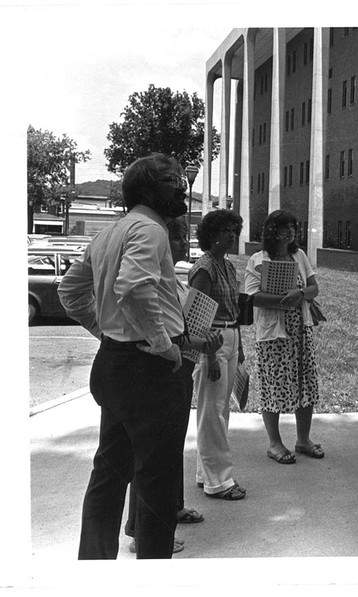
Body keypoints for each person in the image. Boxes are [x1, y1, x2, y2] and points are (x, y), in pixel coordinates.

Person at [58, 153, 192, 559]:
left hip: (114, 365)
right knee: (157, 481)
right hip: (150, 371)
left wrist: (105, 332)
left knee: (109, 474)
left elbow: (69, 291)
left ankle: (93, 569)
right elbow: (133, 288)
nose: (182, 187)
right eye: (172, 180)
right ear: (149, 188)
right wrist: (164, 344)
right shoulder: (150, 230)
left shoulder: (108, 233)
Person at [124, 217, 221, 553]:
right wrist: (193, 343)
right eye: (176, 237)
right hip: (161, 373)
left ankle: (172, 508)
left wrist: (205, 343)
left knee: (170, 450)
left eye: (184, 237)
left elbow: (183, 335)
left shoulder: (178, 284)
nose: (183, 243)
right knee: (152, 457)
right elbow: (164, 335)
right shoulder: (159, 287)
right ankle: (140, 531)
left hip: (180, 371)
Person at [244, 209, 323, 464]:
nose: (289, 231)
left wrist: (300, 294)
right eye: (283, 227)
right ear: (271, 231)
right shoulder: (258, 259)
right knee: (273, 383)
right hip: (274, 333)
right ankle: (275, 444)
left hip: (301, 329)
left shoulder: (299, 255)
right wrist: (282, 299)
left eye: (292, 226)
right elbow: (252, 296)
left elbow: (314, 288)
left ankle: (303, 440)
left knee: (305, 382)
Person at [190, 209, 247, 500]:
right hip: (213, 342)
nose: (233, 236)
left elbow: (234, 309)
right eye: (228, 231)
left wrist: (240, 346)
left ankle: (207, 473)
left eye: (235, 230)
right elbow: (196, 317)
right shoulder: (205, 268)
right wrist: (209, 355)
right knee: (211, 412)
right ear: (212, 236)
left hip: (231, 336)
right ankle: (219, 481)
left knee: (221, 411)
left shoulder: (228, 266)